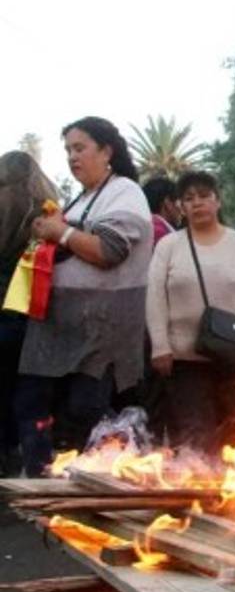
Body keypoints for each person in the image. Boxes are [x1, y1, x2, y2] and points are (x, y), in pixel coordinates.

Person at [16, 117, 153, 476]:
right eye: (68, 151)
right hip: (60, 332)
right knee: (38, 409)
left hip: (101, 333)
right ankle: (47, 486)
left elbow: (109, 250)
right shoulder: (81, 198)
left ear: (106, 151)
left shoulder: (125, 191)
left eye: (80, 148)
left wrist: (60, 233)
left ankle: (128, 468)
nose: (72, 158)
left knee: (86, 411)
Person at [146, 172, 235, 453]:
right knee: (195, 433)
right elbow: (155, 297)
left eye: (204, 196)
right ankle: (198, 492)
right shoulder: (168, 246)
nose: (197, 203)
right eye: (188, 199)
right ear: (180, 206)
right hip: (184, 359)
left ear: (217, 201)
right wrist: (160, 346)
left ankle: (232, 494)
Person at [0, 151, 58, 475]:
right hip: (37, 317)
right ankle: (36, 473)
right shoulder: (48, 213)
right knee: (31, 402)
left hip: (2, 315)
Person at [142, 176, 181, 245]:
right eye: (178, 200)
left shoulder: (146, 224)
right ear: (167, 203)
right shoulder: (161, 233)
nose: (181, 207)